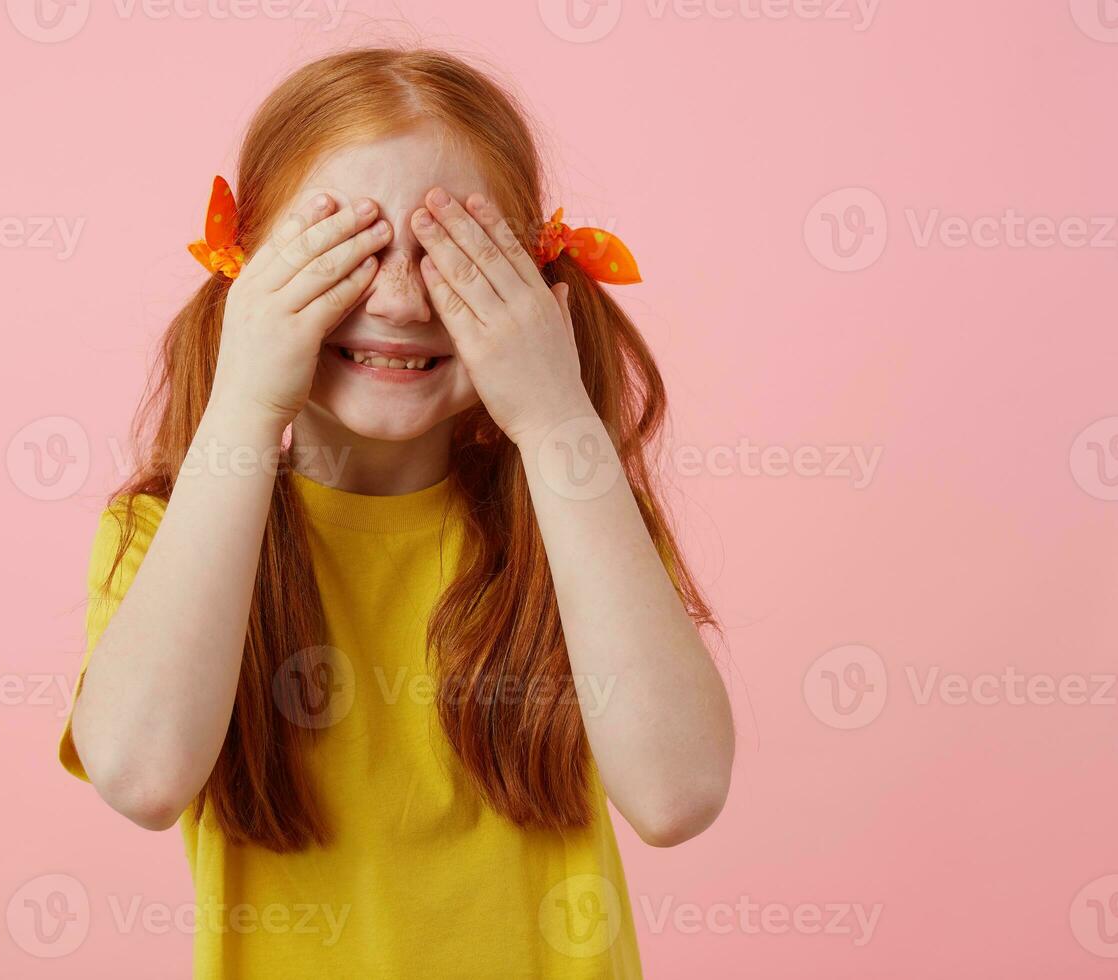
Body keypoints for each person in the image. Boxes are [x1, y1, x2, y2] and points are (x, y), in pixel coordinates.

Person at [59, 47, 735, 978]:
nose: (402, 298)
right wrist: (247, 403)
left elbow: (679, 795)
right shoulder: (164, 537)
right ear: (249, 272)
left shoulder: (575, 523)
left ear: (535, 282)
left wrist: (553, 416)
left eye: (456, 256)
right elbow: (138, 778)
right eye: (349, 251)